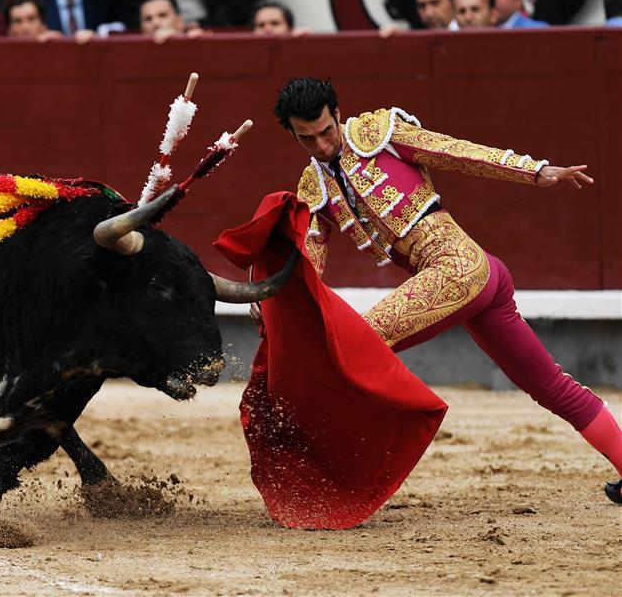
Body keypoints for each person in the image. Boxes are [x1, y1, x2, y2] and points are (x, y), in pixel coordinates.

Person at [262, 77, 622, 507]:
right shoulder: (313, 188)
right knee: (549, 386)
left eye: (326, 131)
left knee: (356, 344)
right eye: (307, 139)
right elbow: (310, 265)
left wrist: (535, 170)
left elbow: (454, 151)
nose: (322, 145)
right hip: (478, 280)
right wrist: (274, 304)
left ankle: (341, 476)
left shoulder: (380, 134)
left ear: (338, 114)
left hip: (460, 268)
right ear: (293, 134)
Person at [139, 0, 204, 43]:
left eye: (162, 15)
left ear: (179, 21)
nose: (155, 23)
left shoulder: (195, 38)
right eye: (148, 19)